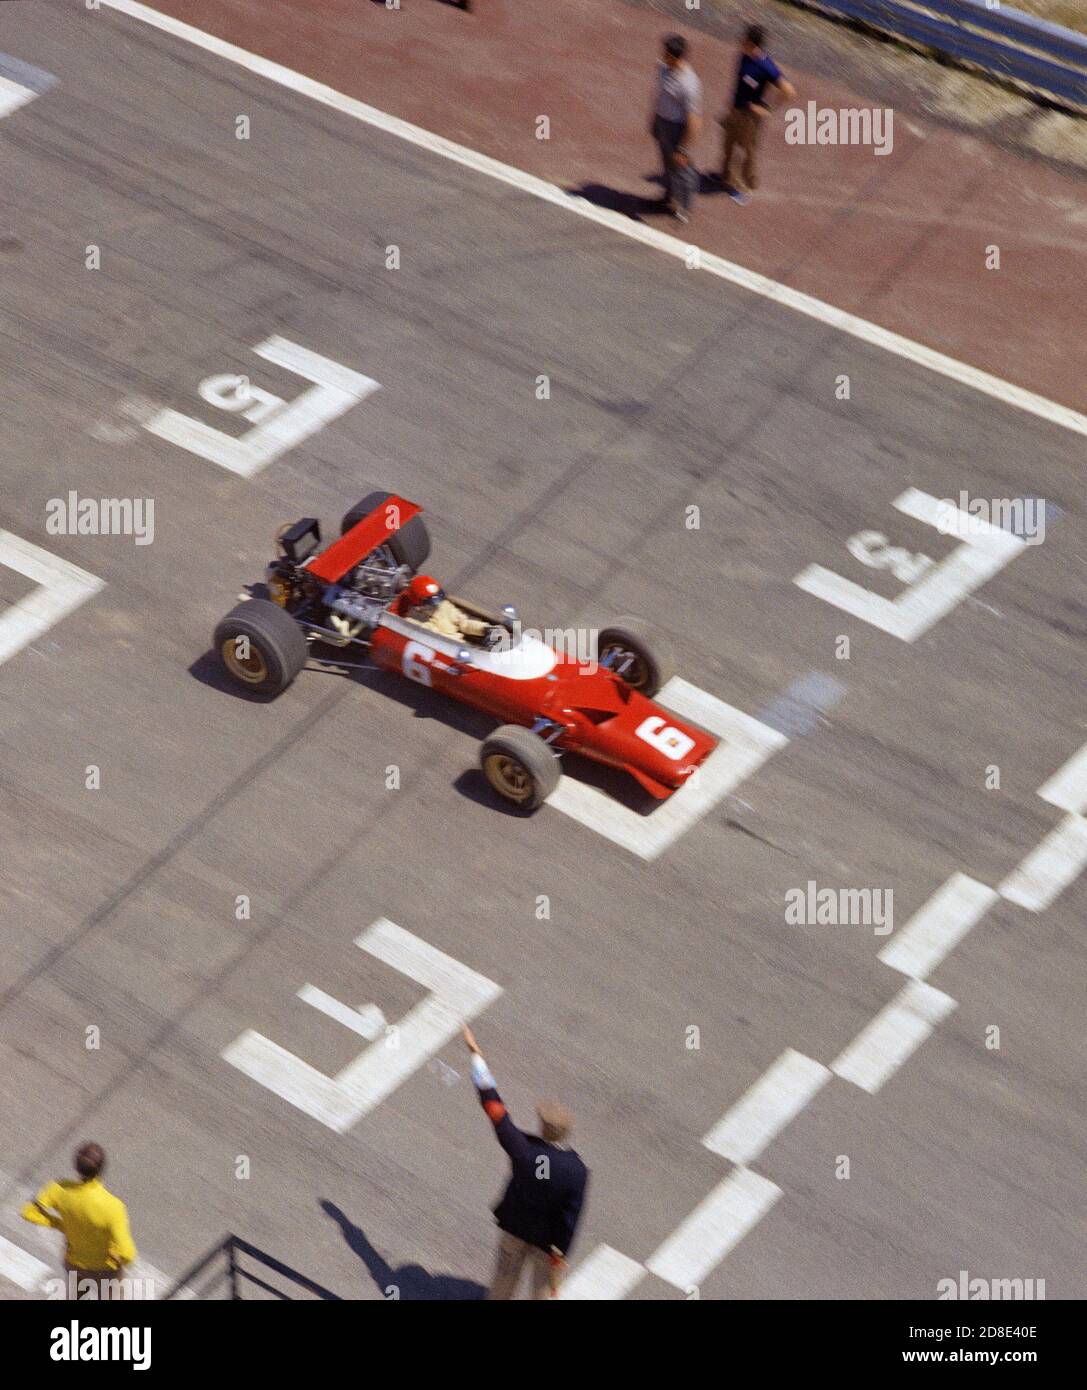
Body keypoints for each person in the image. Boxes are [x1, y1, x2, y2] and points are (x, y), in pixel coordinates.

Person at [463, 1025, 588, 1300]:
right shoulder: (577, 1172)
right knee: (542, 1294)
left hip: (515, 1230)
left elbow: (494, 1108)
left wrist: (476, 1056)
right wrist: (561, 1252)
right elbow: (570, 1218)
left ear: (543, 1126)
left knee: (503, 1285)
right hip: (547, 1244)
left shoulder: (522, 1150)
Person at [21, 1142, 137, 1299]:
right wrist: (116, 1257)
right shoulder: (114, 1207)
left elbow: (28, 1212)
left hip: (73, 1262)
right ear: (101, 1170)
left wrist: (59, 1224)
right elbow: (127, 1254)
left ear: (76, 1167)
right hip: (104, 1269)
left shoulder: (58, 1189)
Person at [719, 23, 796, 206]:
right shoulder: (743, 56)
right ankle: (725, 176)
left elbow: (789, 91)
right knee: (728, 143)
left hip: (749, 117)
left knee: (746, 151)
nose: (740, 42)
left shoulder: (766, 67)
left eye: (743, 40)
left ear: (753, 44)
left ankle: (743, 187)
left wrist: (766, 109)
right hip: (735, 109)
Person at [650, 33, 702, 225]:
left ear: (676, 57)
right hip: (663, 123)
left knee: (682, 170)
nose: (662, 56)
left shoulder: (689, 84)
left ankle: (684, 207)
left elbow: (695, 120)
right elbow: (661, 95)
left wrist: (683, 148)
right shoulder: (664, 68)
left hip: (678, 129)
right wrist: (655, 120)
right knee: (666, 165)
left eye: (666, 54)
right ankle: (668, 197)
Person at [402, 575, 500, 645]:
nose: (437, 605)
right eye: (431, 603)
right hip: (447, 653)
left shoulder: (443, 606)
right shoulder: (411, 623)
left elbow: (464, 623)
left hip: (465, 648)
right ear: (418, 606)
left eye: (437, 599)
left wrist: (485, 629)